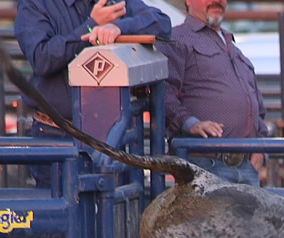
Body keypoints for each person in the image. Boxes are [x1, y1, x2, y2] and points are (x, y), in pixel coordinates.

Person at [14, 0, 171, 189]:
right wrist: (91, 25)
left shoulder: (111, 2)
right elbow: (42, 58)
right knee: (63, 210)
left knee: (109, 209)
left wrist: (118, 27)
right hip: (57, 133)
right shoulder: (36, 4)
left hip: (109, 135)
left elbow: (161, 23)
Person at [157, 0, 269, 186]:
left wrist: (262, 150)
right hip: (204, 165)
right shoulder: (175, 39)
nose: (216, 1)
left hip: (246, 167)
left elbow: (258, 106)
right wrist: (189, 123)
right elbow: (162, 91)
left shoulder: (232, 46)